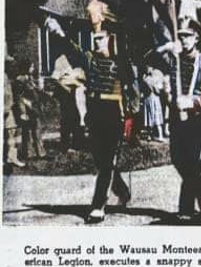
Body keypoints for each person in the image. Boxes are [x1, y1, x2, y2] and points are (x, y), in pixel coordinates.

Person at [45, 17, 139, 224]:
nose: (97, 43)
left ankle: (98, 205)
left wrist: (132, 115)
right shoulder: (90, 59)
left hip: (114, 113)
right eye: (95, 39)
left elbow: (133, 90)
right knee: (100, 160)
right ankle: (121, 189)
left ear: (110, 39)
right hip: (94, 113)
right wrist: (58, 32)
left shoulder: (121, 62)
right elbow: (72, 49)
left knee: (105, 164)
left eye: (101, 39)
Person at [157, 18, 201, 220]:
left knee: (194, 162)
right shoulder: (174, 60)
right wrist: (166, 94)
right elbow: (149, 62)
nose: (184, 40)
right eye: (181, 36)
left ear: (196, 38)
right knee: (178, 159)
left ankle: (185, 210)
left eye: (188, 36)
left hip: (198, 119)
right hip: (177, 118)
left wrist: (194, 102)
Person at [14, 61, 46, 160]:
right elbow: (19, 97)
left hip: (34, 109)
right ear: (26, 67)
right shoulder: (20, 79)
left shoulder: (30, 78)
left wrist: (40, 86)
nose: (33, 68)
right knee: (27, 132)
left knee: (37, 130)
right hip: (27, 109)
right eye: (31, 66)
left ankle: (40, 152)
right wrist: (23, 111)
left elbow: (36, 91)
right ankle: (28, 153)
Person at [3, 52, 26, 169]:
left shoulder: (7, 77)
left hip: (8, 108)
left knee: (12, 132)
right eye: (8, 63)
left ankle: (12, 157)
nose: (11, 66)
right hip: (4, 109)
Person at [142, 65, 167, 141]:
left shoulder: (146, 79)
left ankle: (149, 136)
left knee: (149, 116)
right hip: (154, 99)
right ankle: (160, 136)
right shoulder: (150, 79)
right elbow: (157, 90)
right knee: (157, 116)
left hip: (147, 99)